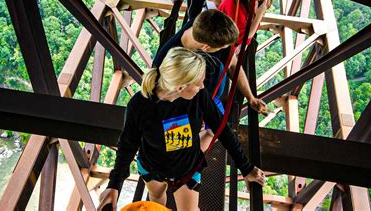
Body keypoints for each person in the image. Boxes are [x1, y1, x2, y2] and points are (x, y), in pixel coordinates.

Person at [97, 47, 266, 211]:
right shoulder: (140, 105)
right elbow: (128, 144)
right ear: (180, 87)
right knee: (156, 201)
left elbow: (223, 129)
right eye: (199, 83)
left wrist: (246, 168)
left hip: (186, 169)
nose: (202, 87)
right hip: (152, 167)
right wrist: (114, 185)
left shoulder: (199, 96)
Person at [154, 9, 269, 117]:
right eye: (222, 48)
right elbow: (163, 99)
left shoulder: (206, 26)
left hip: (210, 98)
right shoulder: (165, 63)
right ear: (205, 47)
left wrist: (251, 98)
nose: (226, 49)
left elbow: (233, 65)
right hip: (188, 108)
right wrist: (196, 117)